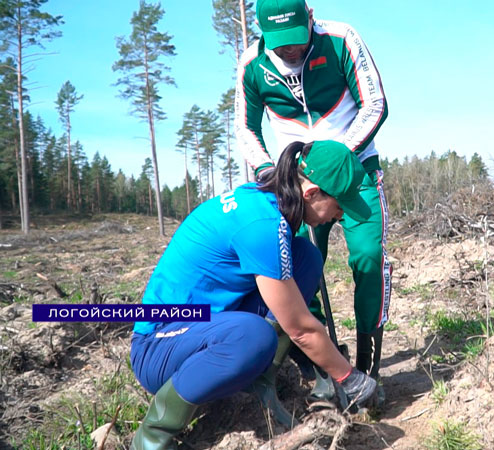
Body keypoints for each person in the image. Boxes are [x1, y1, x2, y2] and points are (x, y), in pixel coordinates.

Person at [129, 141, 378, 449]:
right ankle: (152, 437)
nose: (340, 216)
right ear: (312, 193)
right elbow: (300, 328)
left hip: (206, 326)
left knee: (306, 258)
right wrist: (350, 378)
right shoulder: (261, 225)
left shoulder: (263, 201)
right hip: (158, 347)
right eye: (340, 206)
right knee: (254, 335)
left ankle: (259, 382)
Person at [234, 0, 391, 406]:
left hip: (354, 168)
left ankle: (367, 363)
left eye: (298, 41)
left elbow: (376, 104)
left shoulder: (341, 39)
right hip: (295, 180)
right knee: (296, 267)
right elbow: (246, 127)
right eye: (280, 44)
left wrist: (335, 158)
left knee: (368, 257)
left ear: (310, 18)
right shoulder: (252, 64)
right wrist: (274, 172)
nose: (291, 51)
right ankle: (324, 369)